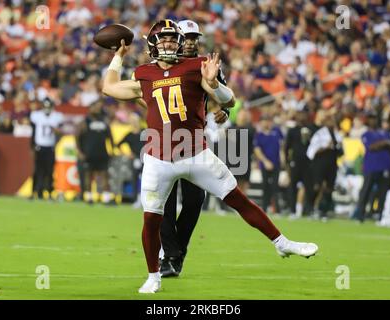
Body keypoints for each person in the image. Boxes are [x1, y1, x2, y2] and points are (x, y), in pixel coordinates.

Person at [102, 19, 318, 294]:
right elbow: (109, 88)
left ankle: (282, 243)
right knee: (151, 219)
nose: (169, 43)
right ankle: (154, 275)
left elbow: (228, 100)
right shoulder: (144, 73)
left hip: (196, 154)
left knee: (237, 198)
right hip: (159, 158)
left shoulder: (197, 66)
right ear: (153, 44)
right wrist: (117, 57)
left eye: (172, 38)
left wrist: (213, 83)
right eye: (164, 38)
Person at [159, 20, 233, 278]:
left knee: (194, 199)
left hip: (192, 141)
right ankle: (170, 256)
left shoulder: (205, 64)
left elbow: (223, 95)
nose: (190, 41)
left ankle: (177, 251)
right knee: (164, 201)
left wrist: (223, 110)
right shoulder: (162, 63)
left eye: (194, 37)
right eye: (186, 37)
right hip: (163, 139)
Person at [75, 100, 115, 205]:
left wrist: (112, 149)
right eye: (96, 107)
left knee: (104, 175)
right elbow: (77, 137)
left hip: (102, 153)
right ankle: (89, 197)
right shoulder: (85, 122)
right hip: (89, 153)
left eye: (99, 107)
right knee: (88, 175)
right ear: (90, 108)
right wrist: (79, 152)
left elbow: (110, 137)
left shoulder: (104, 121)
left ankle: (106, 198)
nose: (98, 109)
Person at [307, 112, 343, 220]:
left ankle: (324, 210)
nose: (332, 123)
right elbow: (311, 151)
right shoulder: (319, 134)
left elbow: (341, 152)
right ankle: (310, 207)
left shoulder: (337, 135)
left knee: (329, 188)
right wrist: (326, 147)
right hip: (320, 163)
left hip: (332, 163)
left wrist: (339, 148)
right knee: (317, 186)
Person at [30, 98, 64, 200]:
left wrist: (57, 132)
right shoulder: (36, 115)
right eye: (45, 106)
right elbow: (33, 132)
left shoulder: (57, 116)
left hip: (50, 147)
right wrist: (31, 147)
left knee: (49, 171)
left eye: (48, 106)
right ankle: (35, 192)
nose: (47, 108)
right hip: (39, 146)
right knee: (37, 171)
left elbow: (60, 133)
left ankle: (49, 192)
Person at [284, 108, 315, 217]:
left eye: (303, 114)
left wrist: (308, 138)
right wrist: (287, 162)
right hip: (295, 162)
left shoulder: (311, 130)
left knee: (309, 186)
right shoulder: (292, 130)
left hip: (307, 163)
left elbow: (314, 146)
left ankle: (308, 210)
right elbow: (286, 147)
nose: (302, 117)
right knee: (293, 187)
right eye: (300, 114)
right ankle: (292, 210)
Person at [253, 113, 284, 213]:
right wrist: (265, 162)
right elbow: (257, 150)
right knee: (265, 186)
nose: (266, 123)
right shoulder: (259, 135)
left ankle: (277, 209)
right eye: (264, 121)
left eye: (268, 120)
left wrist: (282, 157)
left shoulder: (276, 131)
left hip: (276, 163)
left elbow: (282, 145)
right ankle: (264, 208)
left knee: (275, 186)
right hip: (265, 164)